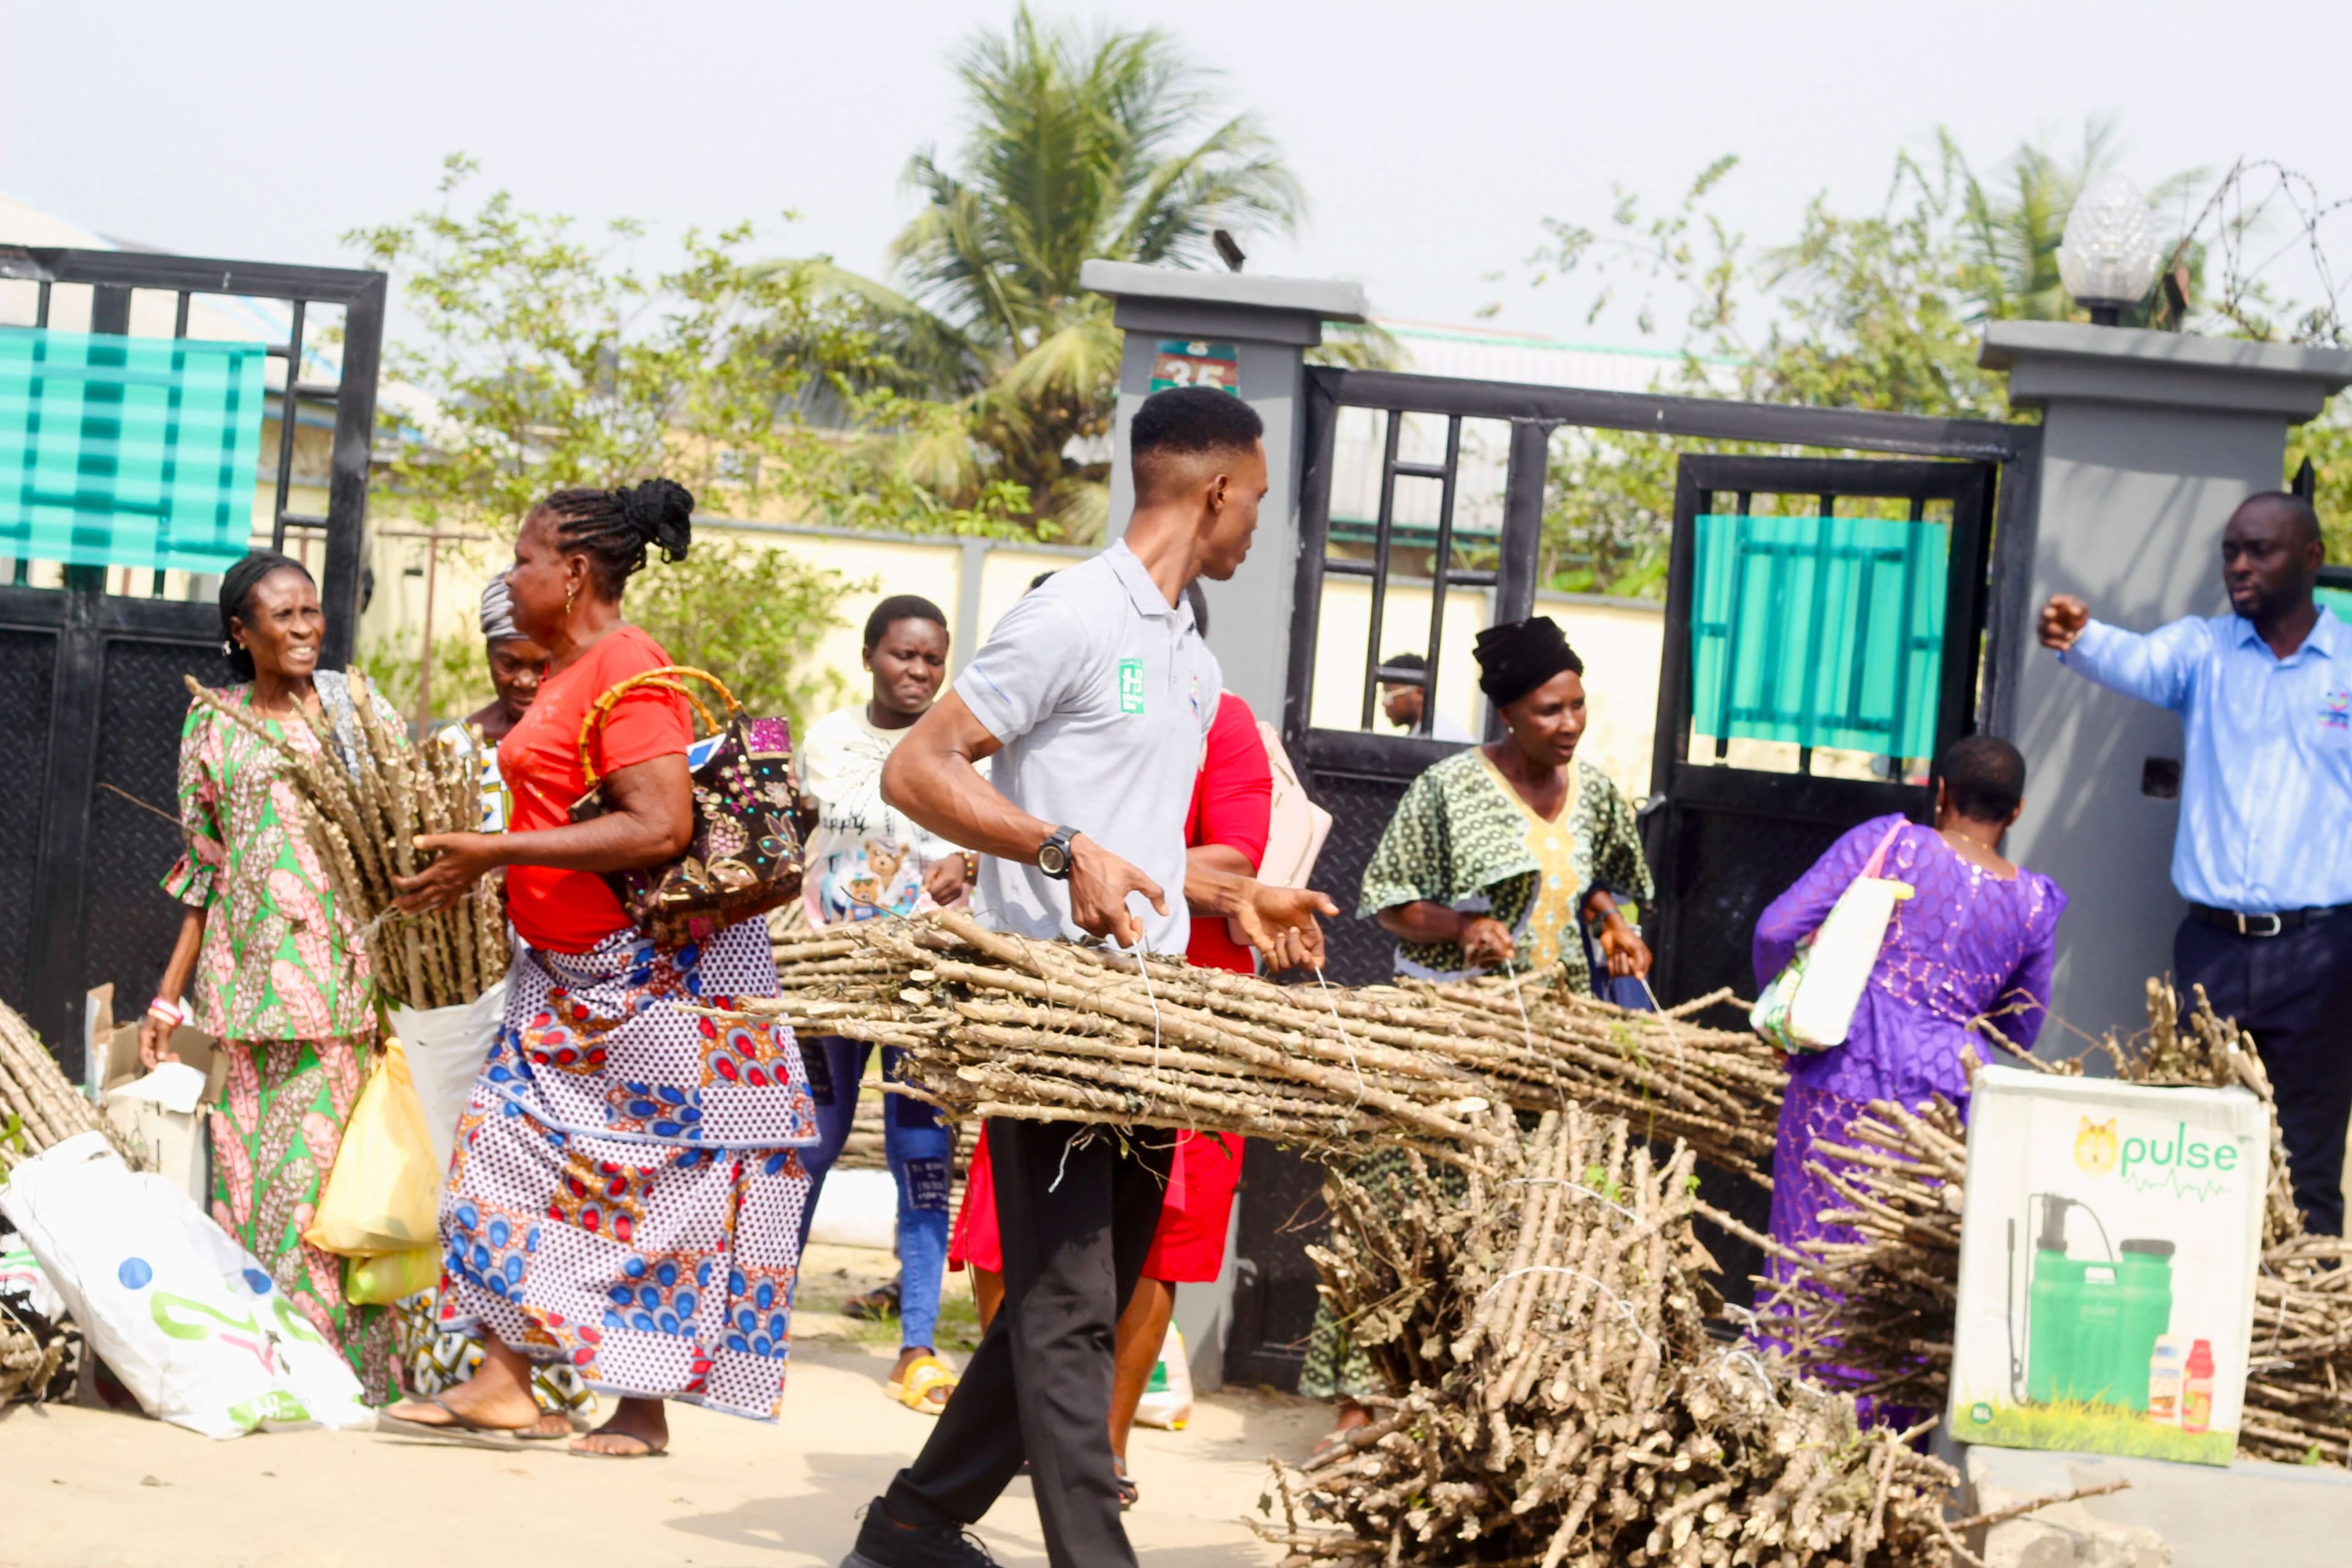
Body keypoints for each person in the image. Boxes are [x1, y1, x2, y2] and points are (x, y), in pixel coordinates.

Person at [841, 386, 1333, 1568]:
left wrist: (1238, 894)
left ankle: (911, 1528)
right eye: (1258, 499)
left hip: (1139, 1023)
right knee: (1062, 1306)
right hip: (1053, 1015)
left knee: (1094, 1300)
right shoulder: (1072, 616)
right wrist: (1054, 852)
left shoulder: (1185, 652)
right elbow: (919, 767)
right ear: (1214, 489)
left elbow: (1146, 846)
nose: (1263, 525)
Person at [380, 478, 818, 1458]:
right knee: (502, 1157)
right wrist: (485, 870)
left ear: (573, 574)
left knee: (651, 1195)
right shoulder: (569, 671)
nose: (513, 575)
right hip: (563, 980)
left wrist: (495, 854)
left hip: (651, 987)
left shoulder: (630, 667)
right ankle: (504, 1380)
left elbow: (659, 825)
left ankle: (640, 1406)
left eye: (526, 560)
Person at [946, 581, 1268, 1510]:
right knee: (1018, 1247)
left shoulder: (1215, 715)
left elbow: (1230, 869)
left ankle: (1098, 1458)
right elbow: (976, 799)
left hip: (1181, 1028)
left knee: (1137, 1259)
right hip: (1054, 1013)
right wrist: (1025, 848)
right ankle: (1004, 1467)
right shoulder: (1062, 705)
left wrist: (1078, 852)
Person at [1302, 614, 1656, 1438]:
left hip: (1552, 1048)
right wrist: (1460, 929)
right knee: (1407, 1205)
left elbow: (1600, 876)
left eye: (1576, 706)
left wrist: (1612, 923)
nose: (1568, 725)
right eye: (1548, 711)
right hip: (1455, 1038)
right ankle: (1367, 1395)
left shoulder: (1597, 791)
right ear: (1507, 714)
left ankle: (1489, 1393)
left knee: (1531, 1212)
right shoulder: (1449, 791)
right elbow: (1389, 900)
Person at [2040, 490, 2352, 1234]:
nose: (2238, 566)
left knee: (2305, 1160)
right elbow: (2136, 659)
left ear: (2310, 558)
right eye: (2230, 551)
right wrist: (2078, 636)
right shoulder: (2202, 651)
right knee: (2197, 1147)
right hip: (2213, 947)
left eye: (2259, 551)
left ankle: (2300, 1340)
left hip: (2323, 952)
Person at [140, 550, 405, 1401]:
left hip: (338, 991)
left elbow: (404, 844)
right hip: (241, 995)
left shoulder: (355, 715)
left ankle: (342, 1371)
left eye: (310, 613)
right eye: (282, 617)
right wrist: (167, 992)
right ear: (239, 631)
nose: (302, 629)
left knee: (329, 1192)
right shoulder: (210, 724)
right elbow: (204, 869)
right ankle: (268, 1364)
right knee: (249, 1190)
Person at [1752, 737, 2065, 1326]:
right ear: (2016, 811)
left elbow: (1776, 929)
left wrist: (1783, 1020)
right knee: (1895, 1287)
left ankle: (1784, 1397)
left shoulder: (1889, 842)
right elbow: (2020, 1029)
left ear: (1940, 792)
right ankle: (1874, 1418)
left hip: (1843, 1074)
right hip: (1944, 1112)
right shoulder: (2032, 905)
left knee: (1804, 1254)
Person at [797, 593, 973, 1413]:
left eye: (934, 659)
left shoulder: (965, 750)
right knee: (809, 1147)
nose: (920, 672)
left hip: (923, 987)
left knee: (922, 1163)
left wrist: (969, 864)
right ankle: (762, 1318)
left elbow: (985, 844)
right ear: (871, 655)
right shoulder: (828, 739)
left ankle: (917, 1346)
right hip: (832, 979)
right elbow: (814, 837)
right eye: (905, 655)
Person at [463, 576, 551, 744]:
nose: (526, 682)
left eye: (542, 667)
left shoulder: (586, 744)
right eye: (509, 665)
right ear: (489, 654)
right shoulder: (453, 747)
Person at [1379, 650, 1477, 743]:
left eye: (1389, 694)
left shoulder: (1441, 737)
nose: (1384, 703)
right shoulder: (1419, 734)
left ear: (1420, 692)